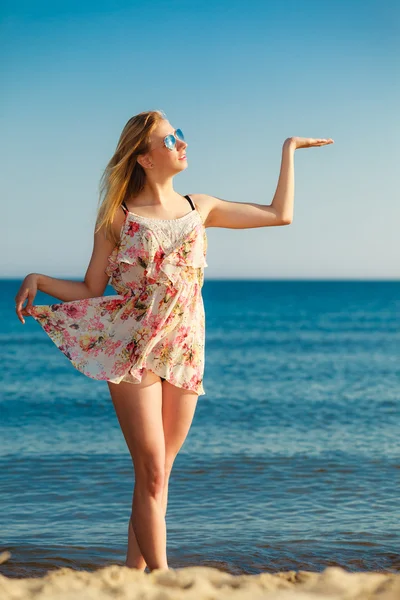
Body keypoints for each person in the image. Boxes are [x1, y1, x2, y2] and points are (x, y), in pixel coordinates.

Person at [14, 109, 333, 571]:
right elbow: (89, 290)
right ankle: (165, 580)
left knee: (158, 477)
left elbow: (279, 215)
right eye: (169, 140)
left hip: (184, 348)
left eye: (180, 135)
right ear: (143, 158)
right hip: (132, 350)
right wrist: (37, 278)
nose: (181, 143)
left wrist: (289, 149)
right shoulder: (117, 220)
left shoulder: (198, 206)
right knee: (151, 471)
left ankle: (131, 577)